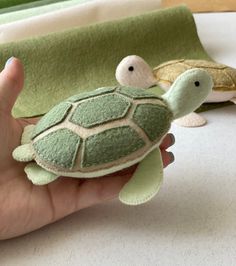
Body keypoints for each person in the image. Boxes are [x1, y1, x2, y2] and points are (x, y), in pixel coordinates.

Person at [0, 57, 175, 240]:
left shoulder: (143, 102)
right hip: (44, 143)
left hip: (42, 132)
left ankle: (43, 160)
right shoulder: (152, 110)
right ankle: (44, 165)